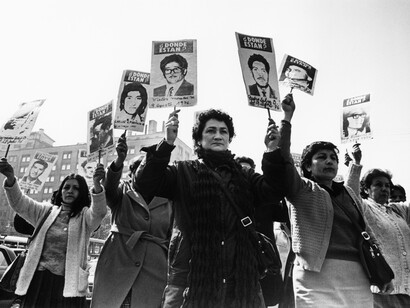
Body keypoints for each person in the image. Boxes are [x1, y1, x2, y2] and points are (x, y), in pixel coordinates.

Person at [135, 104, 291, 307]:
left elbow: (275, 190)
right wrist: (167, 143)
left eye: (223, 131)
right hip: (189, 283)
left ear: (229, 139)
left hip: (242, 284)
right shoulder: (182, 171)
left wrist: (272, 151)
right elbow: (144, 183)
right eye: (210, 130)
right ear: (199, 139)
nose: (218, 135)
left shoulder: (244, 175)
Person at [272, 99, 393, 307]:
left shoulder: (348, 193)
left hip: (358, 274)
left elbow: (366, 231)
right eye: (321, 157)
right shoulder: (301, 189)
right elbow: (282, 161)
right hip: (315, 275)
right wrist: (287, 118)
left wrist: (383, 272)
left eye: (333, 158)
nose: (329, 161)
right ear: (308, 166)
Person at [0, 157, 107, 308]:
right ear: (61, 190)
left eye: (75, 188)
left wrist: (97, 184)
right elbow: (19, 202)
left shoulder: (85, 216)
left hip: (67, 286)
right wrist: (11, 178)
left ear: (82, 192)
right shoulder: (46, 211)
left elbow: (100, 212)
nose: (70, 191)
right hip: (37, 281)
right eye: (66, 187)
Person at [91, 133, 173, 308]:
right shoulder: (122, 193)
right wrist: (119, 160)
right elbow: (109, 189)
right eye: (140, 170)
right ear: (133, 174)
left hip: (154, 270)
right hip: (118, 262)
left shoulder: (170, 201)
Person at [345, 148, 410, 307]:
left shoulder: (398, 210)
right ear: (366, 189)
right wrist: (356, 163)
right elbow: (350, 194)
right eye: (378, 185)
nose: (384, 189)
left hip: (406, 290)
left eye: (387, 186)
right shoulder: (365, 207)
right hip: (381, 291)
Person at [235, 155, 286, 307]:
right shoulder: (227, 200)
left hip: (265, 261)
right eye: (241, 171)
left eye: (249, 171)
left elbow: (284, 214)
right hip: (238, 263)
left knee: (269, 299)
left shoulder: (266, 198)